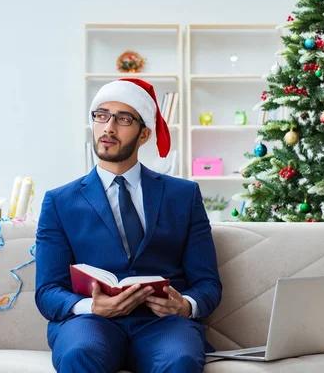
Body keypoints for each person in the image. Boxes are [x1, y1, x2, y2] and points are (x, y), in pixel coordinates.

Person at [35, 77, 222, 373]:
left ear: (144, 134)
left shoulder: (183, 196)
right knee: (78, 353)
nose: (108, 127)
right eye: (101, 116)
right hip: (90, 322)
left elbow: (208, 283)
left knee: (180, 360)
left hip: (163, 324)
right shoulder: (59, 202)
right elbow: (47, 291)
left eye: (123, 119)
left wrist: (184, 306)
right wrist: (91, 307)